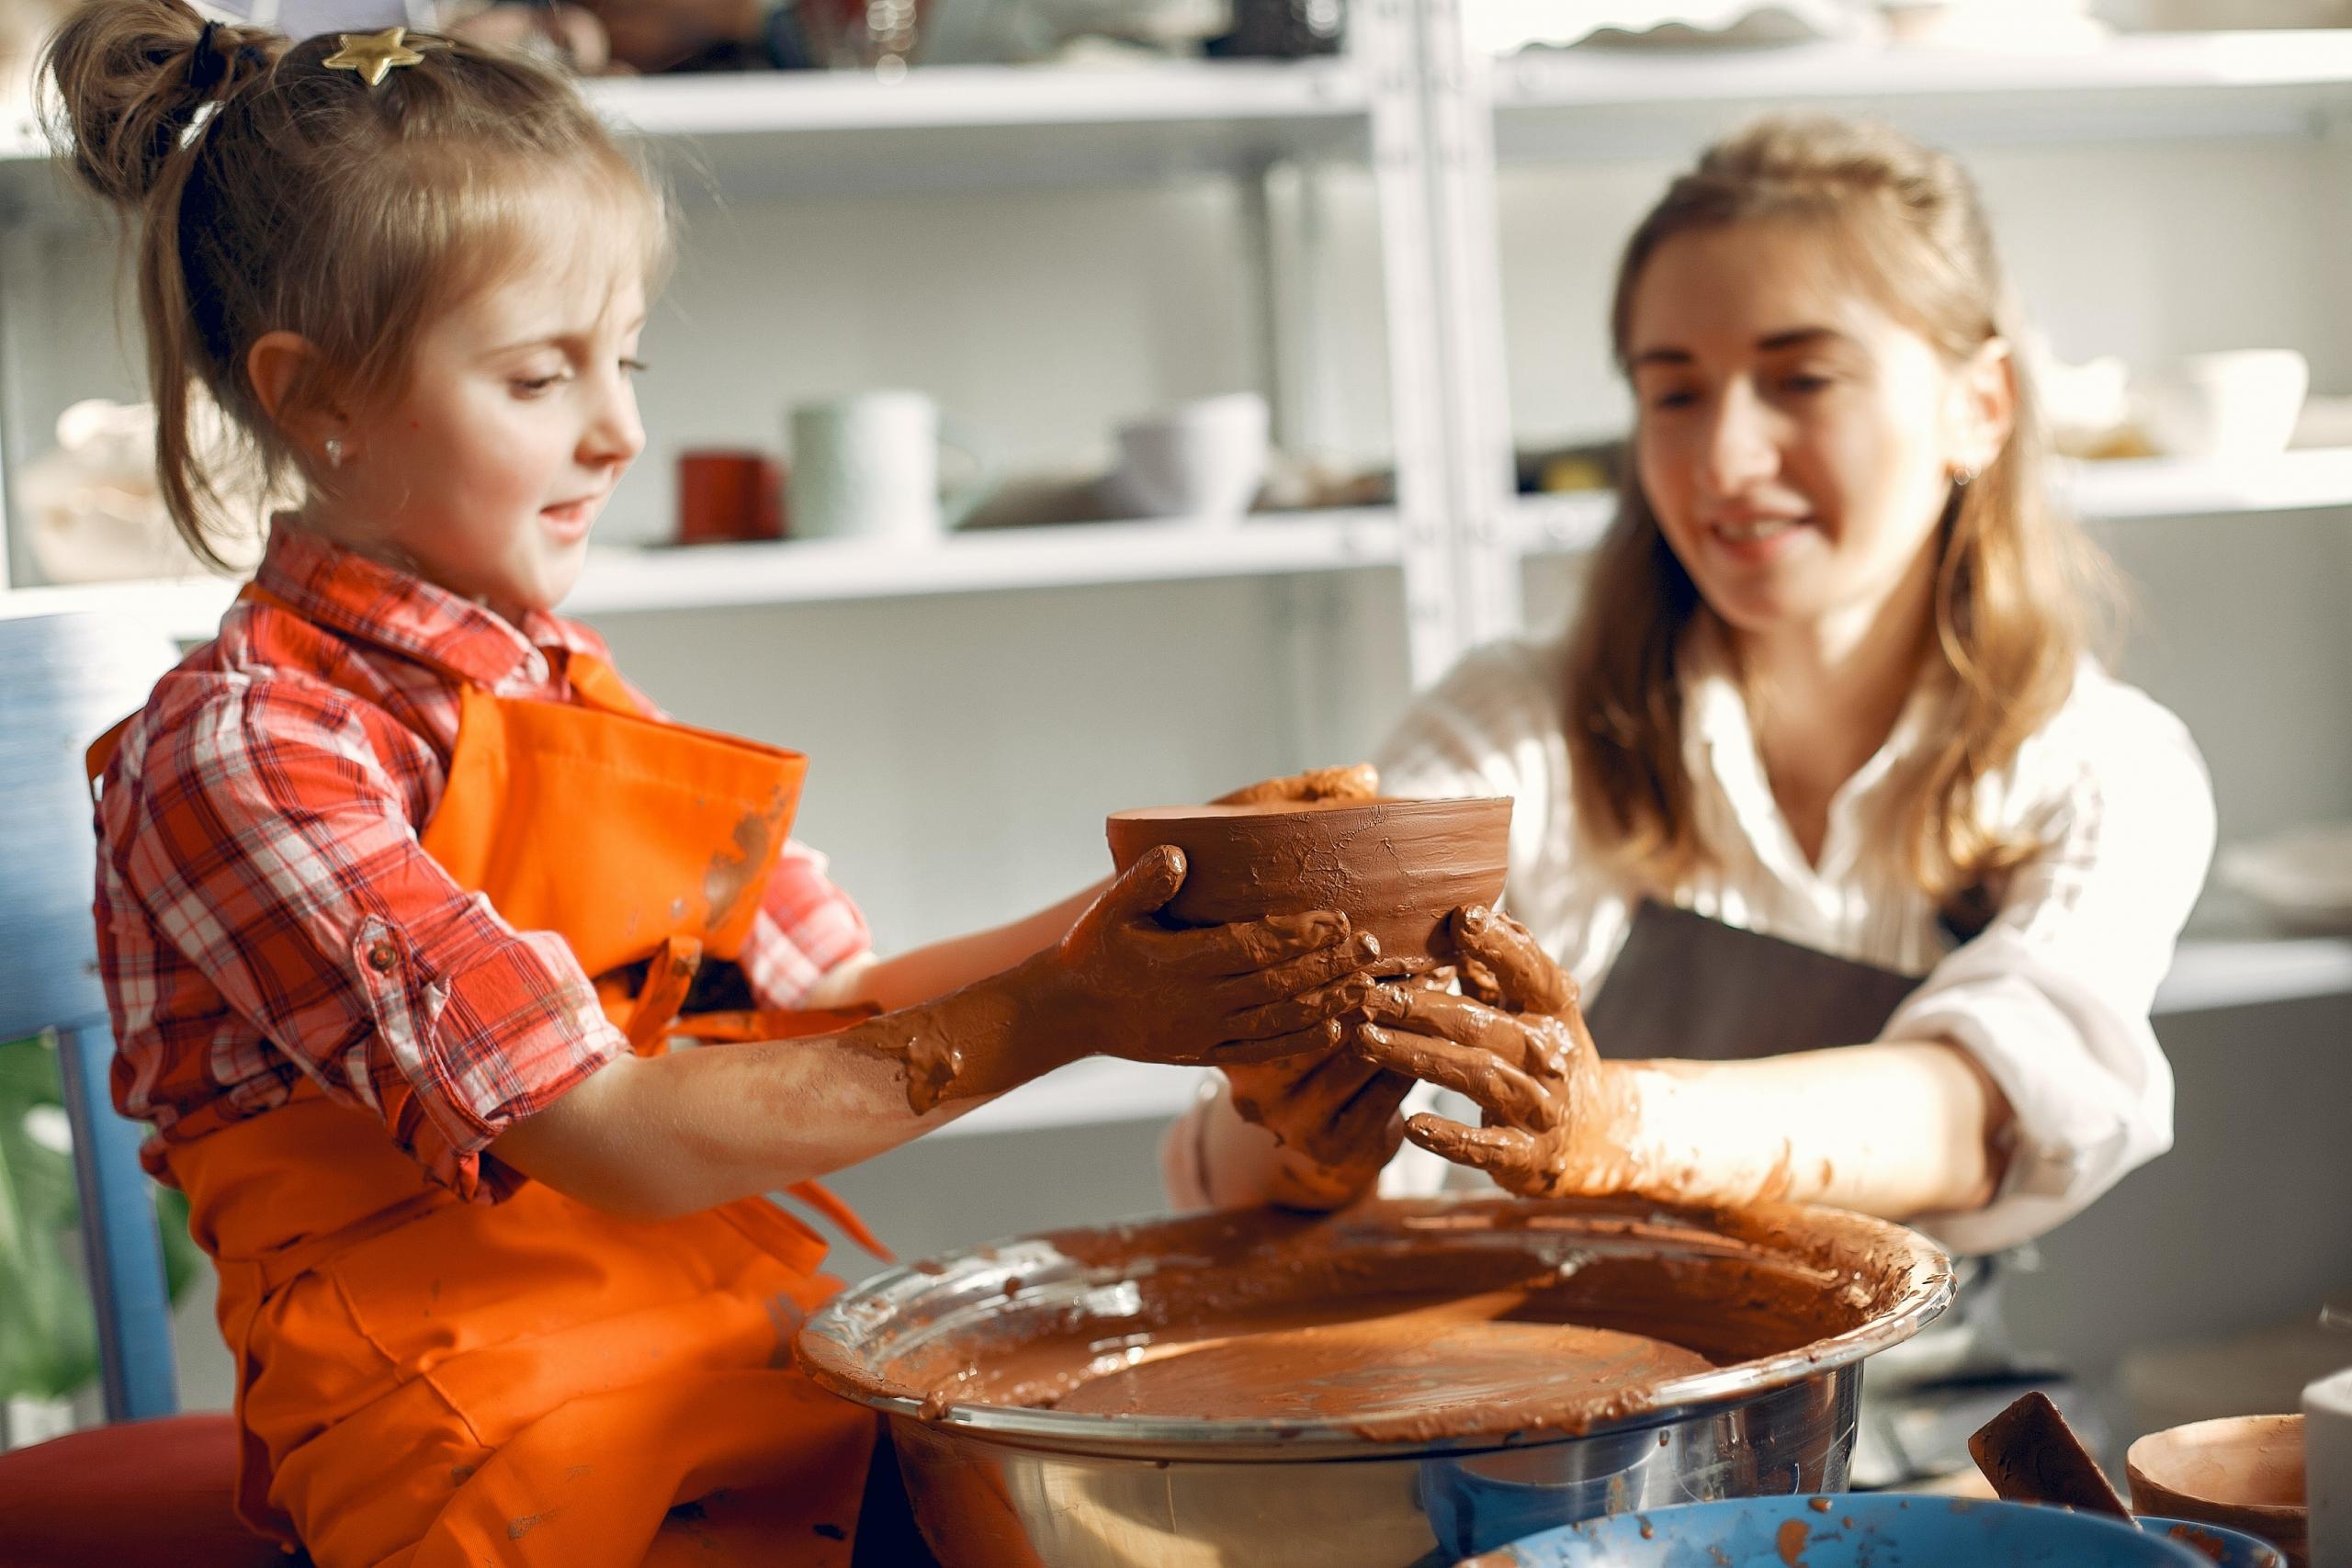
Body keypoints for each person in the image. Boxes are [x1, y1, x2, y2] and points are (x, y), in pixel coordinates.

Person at [51, 6, 1385, 1562]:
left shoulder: (560, 681)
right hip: (471, 1430)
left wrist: (1174, 897)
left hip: (714, 1341)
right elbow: (604, 1127)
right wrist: (1076, 1017)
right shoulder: (245, 752)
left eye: (623, 360)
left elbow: (846, 997)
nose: (621, 430)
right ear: (311, 395)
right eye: (543, 378)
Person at [1165, 115, 2218, 1482]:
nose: (1723, 459)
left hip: (1917, 1444)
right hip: (1543, 1454)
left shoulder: (2102, 769)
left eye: (1802, 380)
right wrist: (1302, 1141)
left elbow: (1975, 1113)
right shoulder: (1521, 729)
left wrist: (1622, 1125)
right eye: (1674, 391)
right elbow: (1232, 1163)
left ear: (1980, 404)